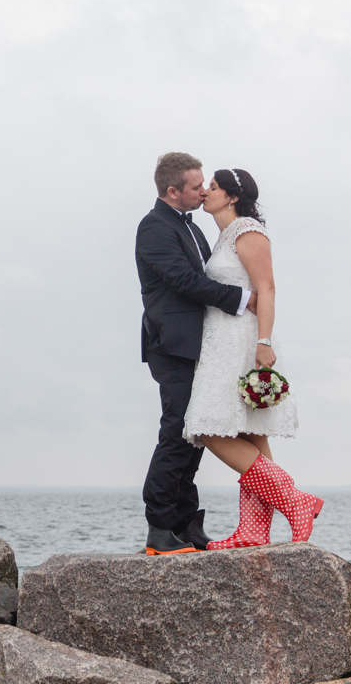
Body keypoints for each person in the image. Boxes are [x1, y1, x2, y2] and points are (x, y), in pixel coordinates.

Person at [184, 168, 321, 548]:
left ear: (231, 196)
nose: (205, 191)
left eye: (212, 186)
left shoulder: (248, 230)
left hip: (241, 341)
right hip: (220, 340)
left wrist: (263, 340)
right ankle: (254, 531)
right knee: (249, 432)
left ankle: (295, 502)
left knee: (207, 426)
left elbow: (267, 287)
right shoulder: (225, 235)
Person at [135, 153, 256, 555]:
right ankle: (159, 527)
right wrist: (240, 298)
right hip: (172, 345)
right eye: (195, 186)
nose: (204, 190)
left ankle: (186, 523)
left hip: (198, 345)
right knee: (176, 432)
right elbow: (185, 281)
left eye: (206, 184)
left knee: (193, 434)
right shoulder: (154, 228)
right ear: (173, 191)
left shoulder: (191, 228)